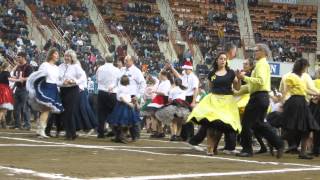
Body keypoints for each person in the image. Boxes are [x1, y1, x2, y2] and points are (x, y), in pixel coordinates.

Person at [187, 52, 241, 155]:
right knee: (211, 124)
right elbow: (211, 87)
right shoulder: (212, 74)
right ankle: (210, 148)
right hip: (214, 100)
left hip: (227, 102)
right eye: (221, 58)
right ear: (217, 60)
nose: (223, 60)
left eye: (225, 59)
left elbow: (237, 88)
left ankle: (214, 147)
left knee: (221, 125)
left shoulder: (231, 73)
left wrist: (238, 79)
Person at [236, 44, 284, 158]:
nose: (254, 52)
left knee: (247, 124)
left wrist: (244, 78)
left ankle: (247, 149)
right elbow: (252, 86)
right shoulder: (261, 64)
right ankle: (278, 143)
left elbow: (260, 81)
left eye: (256, 50)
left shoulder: (261, 64)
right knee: (258, 124)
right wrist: (236, 91)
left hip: (258, 98)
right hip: (261, 97)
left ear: (263, 52)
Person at [281, 59, 320, 159]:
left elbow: (305, 90)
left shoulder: (301, 77)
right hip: (295, 102)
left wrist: (316, 94)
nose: (307, 69)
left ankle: (302, 152)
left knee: (305, 128)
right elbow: (286, 90)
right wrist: (282, 103)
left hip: (301, 102)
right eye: (306, 67)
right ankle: (276, 141)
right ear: (302, 67)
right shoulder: (291, 76)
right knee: (295, 127)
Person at [26, 48, 64, 138]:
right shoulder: (45, 65)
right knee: (46, 109)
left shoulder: (57, 68)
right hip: (46, 88)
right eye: (55, 54)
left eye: (58, 54)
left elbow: (57, 81)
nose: (57, 56)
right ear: (51, 55)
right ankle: (41, 130)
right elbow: (38, 76)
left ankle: (40, 130)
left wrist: (64, 83)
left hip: (53, 89)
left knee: (45, 110)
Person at [58, 49, 87, 140]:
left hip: (73, 90)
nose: (66, 57)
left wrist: (75, 81)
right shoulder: (61, 66)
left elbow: (83, 76)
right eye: (66, 56)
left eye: (69, 56)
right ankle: (72, 133)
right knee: (64, 112)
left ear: (72, 58)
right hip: (63, 90)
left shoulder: (76, 66)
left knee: (69, 112)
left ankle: (69, 134)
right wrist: (62, 82)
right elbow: (57, 78)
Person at [169, 60, 199, 141]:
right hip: (183, 98)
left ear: (190, 69)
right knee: (181, 117)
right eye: (184, 69)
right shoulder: (184, 75)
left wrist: (193, 101)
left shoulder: (194, 78)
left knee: (188, 117)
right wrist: (172, 68)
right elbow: (177, 75)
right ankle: (183, 135)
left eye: (186, 69)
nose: (185, 70)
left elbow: (196, 89)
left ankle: (190, 135)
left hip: (189, 98)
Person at [107, 75, 141, 143]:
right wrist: (133, 103)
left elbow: (123, 98)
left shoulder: (121, 88)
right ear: (128, 82)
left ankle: (120, 137)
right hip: (125, 105)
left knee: (121, 122)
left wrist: (133, 103)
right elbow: (124, 98)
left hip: (122, 106)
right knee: (124, 123)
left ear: (121, 81)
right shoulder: (126, 88)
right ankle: (120, 137)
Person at [121, 55, 146, 139]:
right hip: (124, 96)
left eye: (126, 60)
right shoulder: (122, 70)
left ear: (132, 61)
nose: (125, 62)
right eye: (124, 60)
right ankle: (125, 134)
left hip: (132, 96)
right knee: (124, 116)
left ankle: (135, 134)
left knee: (133, 116)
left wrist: (138, 96)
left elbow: (143, 84)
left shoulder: (136, 71)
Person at [96, 56, 121, 138]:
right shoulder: (117, 70)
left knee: (101, 113)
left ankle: (101, 132)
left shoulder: (100, 68)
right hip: (112, 92)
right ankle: (114, 131)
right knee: (114, 112)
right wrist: (112, 86)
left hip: (102, 92)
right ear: (113, 61)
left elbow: (97, 79)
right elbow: (119, 81)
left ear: (105, 60)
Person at [12, 52, 33, 130]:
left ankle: (27, 125)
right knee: (16, 108)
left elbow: (30, 77)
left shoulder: (29, 67)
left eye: (19, 57)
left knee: (25, 108)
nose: (17, 58)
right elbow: (15, 77)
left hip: (25, 89)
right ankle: (17, 124)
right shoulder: (18, 67)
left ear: (24, 57)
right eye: (17, 57)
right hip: (18, 88)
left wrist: (23, 79)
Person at [0, 62, 14, 128]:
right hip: (4, 90)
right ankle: (3, 123)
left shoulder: (1, 73)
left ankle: (4, 124)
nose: (10, 68)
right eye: (9, 67)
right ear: (7, 67)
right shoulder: (7, 73)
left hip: (1, 90)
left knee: (2, 109)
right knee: (4, 109)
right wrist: (18, 80)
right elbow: (10, 79)